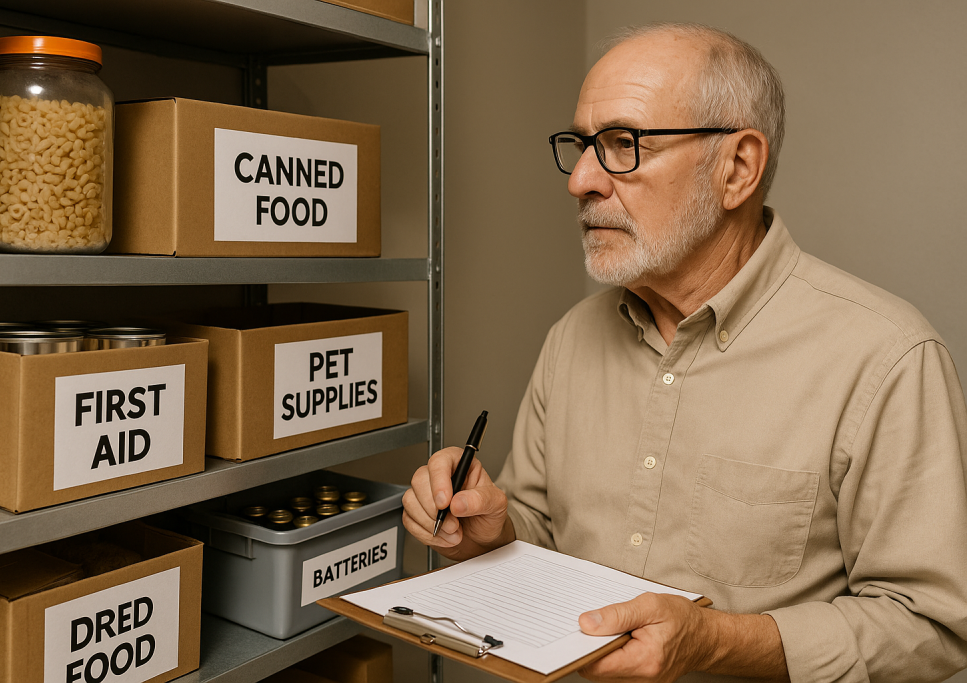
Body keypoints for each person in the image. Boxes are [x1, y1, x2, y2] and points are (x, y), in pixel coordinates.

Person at [401, 22, 967, 683]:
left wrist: (716, 641)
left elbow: (930, 625)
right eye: (582, 146)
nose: (581, 179)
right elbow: (543, 532)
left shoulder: (887, 357)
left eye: (622, 144)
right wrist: (491, 530)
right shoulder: (571, 339)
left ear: (737, 168)